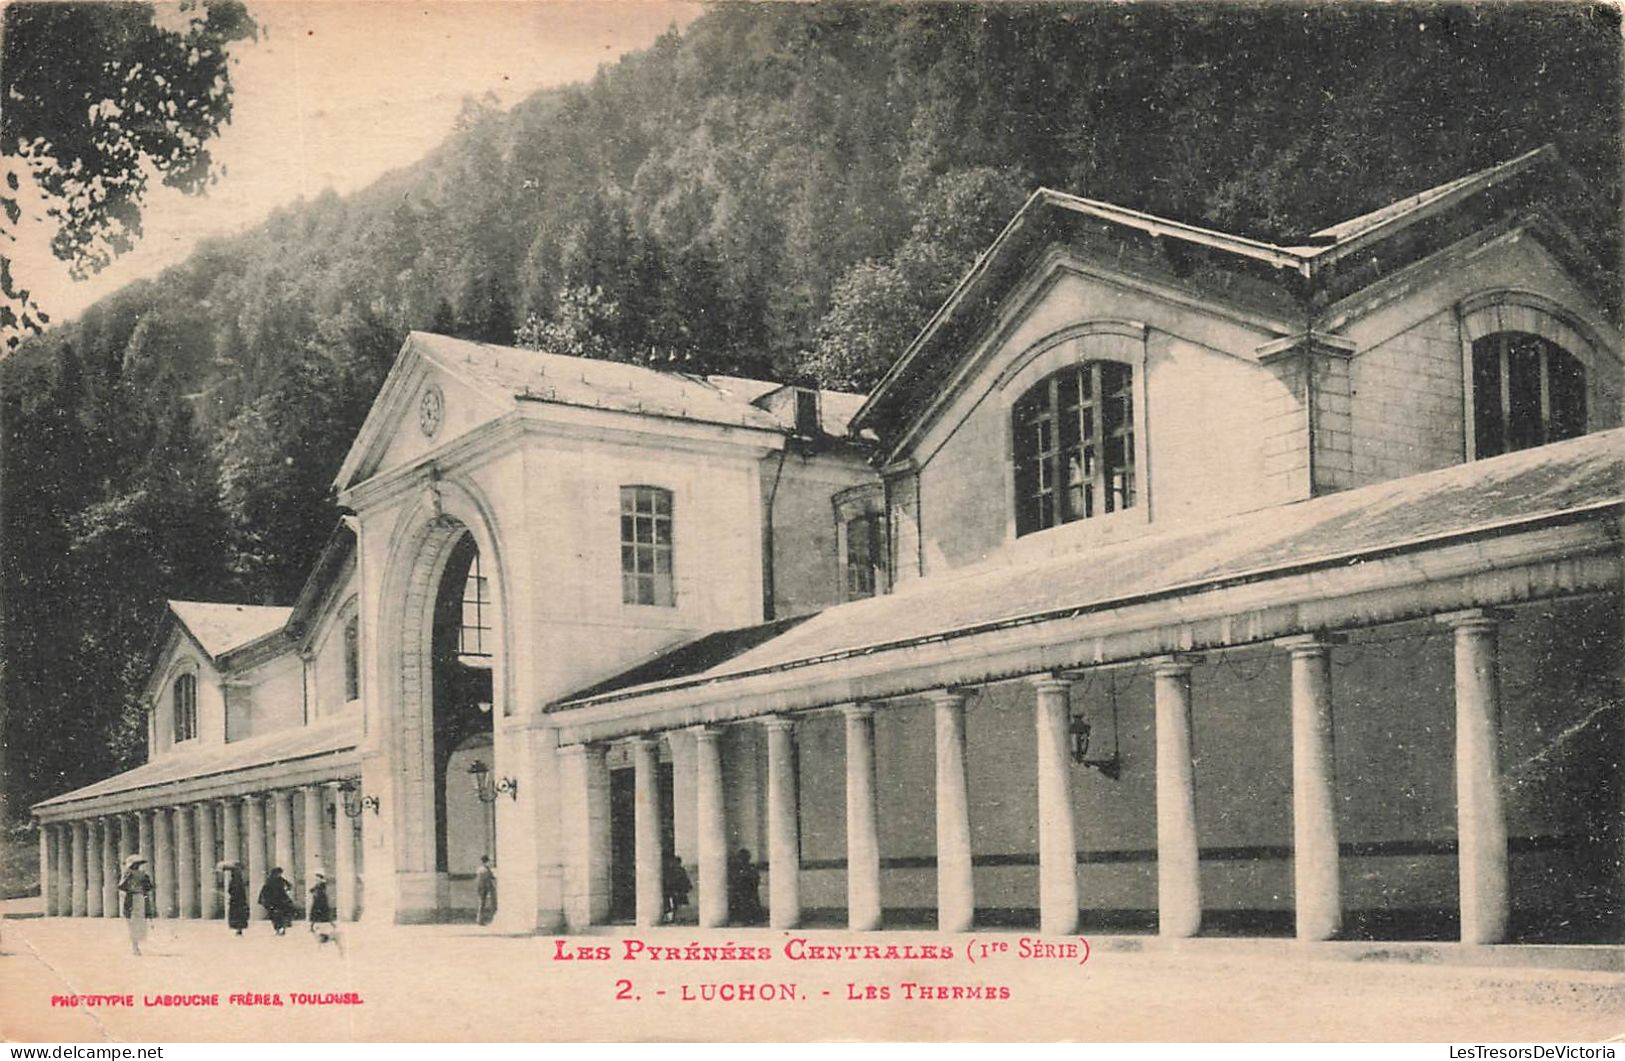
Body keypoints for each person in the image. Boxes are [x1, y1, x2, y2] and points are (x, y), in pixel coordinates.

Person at [116, 854, 155, 956]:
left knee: (131, 922)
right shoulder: (144, 874)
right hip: (141, 898)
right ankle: (136, 947)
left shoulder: (128, 873)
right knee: (138, 922)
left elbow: (121, 886)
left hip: (131, 898)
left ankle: (135, 947)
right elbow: (149, 887)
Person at [728, 848, 763, 925]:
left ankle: (749, 919)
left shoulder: (750, 867)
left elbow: (755, 878)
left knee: (748, 905)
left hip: (748, 890)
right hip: (742, 891)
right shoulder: (739, 868)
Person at [258, 866, 296, 934]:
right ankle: (279, 928)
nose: (279, 875)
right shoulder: (270, 880)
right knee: (276, 915)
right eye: (278, 873)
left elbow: (289, 885)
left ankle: (282, 928)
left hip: (280, 899)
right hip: (274, 900)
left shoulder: (278, 879)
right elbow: (264, 890)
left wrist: (287, 890)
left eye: (280, 873)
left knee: (282, 914)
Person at [220, 862, 250, 935]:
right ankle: (239, 929)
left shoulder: (235, 879)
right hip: (239, 900)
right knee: (239, 915)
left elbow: (232, 889)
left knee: (237, 915)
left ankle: (238, 929)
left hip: (236, 901)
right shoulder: (238, 878)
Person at [661, 852, 690, 923]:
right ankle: (674, 918)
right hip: (675, 890)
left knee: (676, 904)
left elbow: (684, 879)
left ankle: (675, 918)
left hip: (677, 890)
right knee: (674, 904)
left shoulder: (678, 870)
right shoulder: (677, 870)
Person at [307, 871, 336, 941]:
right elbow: (311, 890)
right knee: (315, 914)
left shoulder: (322, 884)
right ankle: (311, 927)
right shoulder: (318, 884)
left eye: (317, 878)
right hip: (317, 901)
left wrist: (315, 892)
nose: (316, 879)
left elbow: (320, 891)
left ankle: (332, 924)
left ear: (320, 878)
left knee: (322, 914)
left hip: (321, 902)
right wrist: (314, 891)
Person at [475, 855, 497, 925]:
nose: (490, 863)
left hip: (481, 888)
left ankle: (480, 920)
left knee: (481, 904)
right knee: (482, 904)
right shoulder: (485, 870)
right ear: (485, 862)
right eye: (488, 862)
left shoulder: (480, 869)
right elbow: (489, 880)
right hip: (484, 889)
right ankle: (480, 920)